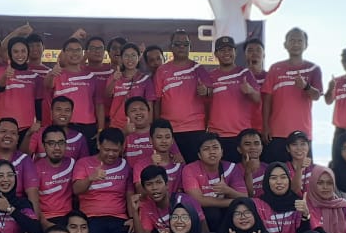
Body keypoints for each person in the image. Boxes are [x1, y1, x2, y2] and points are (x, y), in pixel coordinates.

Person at [261, 27, 322, 164]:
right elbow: (267, 99)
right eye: (292, 40)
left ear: (306, 45)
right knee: (276, 173)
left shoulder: (313, 69)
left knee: (303, 174)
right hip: (276, 133)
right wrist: (265, 126)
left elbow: (317, 96)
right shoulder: (275, 68)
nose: (296, 44)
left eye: (299, 41)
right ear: (285, 44)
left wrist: (305, 86)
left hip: (302, 135)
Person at [73, 128, 134, 233]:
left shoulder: (125, 165)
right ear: (98, 145)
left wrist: (133, 218)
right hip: (92, 218)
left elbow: (130, 195)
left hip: (119, 219)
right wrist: (91, 178)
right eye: (107, 150)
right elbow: (76, 190)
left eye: (115, 151)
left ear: (122, 148)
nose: (111, 154)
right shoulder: (83, 163)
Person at [204, 36, 262, 163]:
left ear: (235, 52)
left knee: (243, 172)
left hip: (241, 136)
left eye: (230, 49)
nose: (226, 53)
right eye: (222, 50)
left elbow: (258, 99)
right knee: (221, 173)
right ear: (215, 54)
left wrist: (250, 91)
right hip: (217, 136)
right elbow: (204, 107)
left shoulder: (244, 73)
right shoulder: (209, 76)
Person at [154, 30, 208, 161]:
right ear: (170, 47)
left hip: (195, 128)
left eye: (185, 44)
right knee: (172, 168)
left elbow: (211, 93)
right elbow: (157, 101)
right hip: (169, 130)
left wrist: (206, 91)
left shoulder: (198, 68)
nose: (182, 47)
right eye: (177, 44)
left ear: (190, 47)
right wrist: (157, 126)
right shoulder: (162, 70)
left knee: (194, 167)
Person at [45, 37, 105, 149]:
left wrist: (101, 129)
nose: (74, 53)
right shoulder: (56, 74)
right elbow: (47, 85)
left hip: (88, 127)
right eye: (70, 50)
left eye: (77, 50)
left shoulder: (91, 76)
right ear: (64, 53)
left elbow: (99, 104)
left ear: (83, 53)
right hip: (63, 125)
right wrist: (52, 74)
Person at [181, 133, 248, 231]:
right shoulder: (189, 169)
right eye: (206, 149)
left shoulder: (231, 167)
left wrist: (228, 191)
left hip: (225, 212)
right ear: (199, 155)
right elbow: (199, 200)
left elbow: (245, 197)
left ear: (222, 152)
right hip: (204, 214)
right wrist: (233, 202)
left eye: (215, 147)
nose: (212, 152)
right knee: (212, 213)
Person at [254, 162, 310, 233]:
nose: (279, 182)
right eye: (273, 178)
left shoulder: (298, 203)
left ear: (289, 180)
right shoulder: (257, 204)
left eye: (283, 177)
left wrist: (305, 215)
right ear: (267, 181)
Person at [135, 164, 203, 233]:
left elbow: (204, 231)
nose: (154, 188)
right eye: (149, 184)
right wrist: (134, 212)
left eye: (159, 182)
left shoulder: (185, 201)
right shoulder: (147, 207)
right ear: (144, 189)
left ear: (167, 185)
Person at [0, 37, 43, 136]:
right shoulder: (2, 71)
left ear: (28, 52)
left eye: (23, 51)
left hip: (27, 127)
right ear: (10, 54)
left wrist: (39, 122)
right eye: (16, 52)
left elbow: (38, 102)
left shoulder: (35, 76)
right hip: (5, 126)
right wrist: (5, 76)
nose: (20, 55)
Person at [22, 96, 90, 161]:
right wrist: (28, 134)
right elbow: (23, 158)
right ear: (51, 112)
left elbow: (84, 164)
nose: (63, 114)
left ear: (72, 113)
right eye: (58, 109)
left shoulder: (79, 138)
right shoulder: (39, 132)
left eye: (67, 110)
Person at [34, 125, 76, 228]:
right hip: (45, 218)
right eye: (51, 143)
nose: (57, 148)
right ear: (44, 145)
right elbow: (33, 200)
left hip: (69, 217)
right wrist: (44, 223)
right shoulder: (35, 168)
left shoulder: (72, 164)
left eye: (61, 143)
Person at [107, 44, 154, 131]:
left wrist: (147, 127)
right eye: (126, 56)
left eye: (133, 55)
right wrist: (114, 80)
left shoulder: (145, 79)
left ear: (139, 57)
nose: (130, 59)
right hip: (116, 125)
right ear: (121, 58)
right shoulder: (114, 76)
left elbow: (149, 105)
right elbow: (107, 95)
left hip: (137, 127)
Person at [306, 165, 346, 233]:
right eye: (320, 183)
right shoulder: (307, 205)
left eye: (329, 183)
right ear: (313, 183)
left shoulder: (344, 205)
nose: (325, 187)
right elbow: (317, 230)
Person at [130, 118, 184, 192]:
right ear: (151, 140)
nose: (164, 141)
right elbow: (140, 192)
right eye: (159, 137)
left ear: (172, 140)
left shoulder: (179, 164)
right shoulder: (140, 165)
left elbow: (181, 193)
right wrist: (153, 168)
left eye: (167, 137)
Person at [244, 37, 267, 132]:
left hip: (266, 130)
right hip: (242, 129)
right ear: (245, 55)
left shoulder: (271, 77)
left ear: (264, 55)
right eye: (250, 50)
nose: (254, 53)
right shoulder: (239, 77)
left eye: (258, 50)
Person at [236, 128, 266, 199]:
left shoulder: (269, 169)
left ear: (262, 147)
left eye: (256, 143)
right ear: (239, 149)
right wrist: (248, 172)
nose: (253, 147)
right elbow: (248, 196)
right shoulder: (233, 170)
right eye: (247, 144)